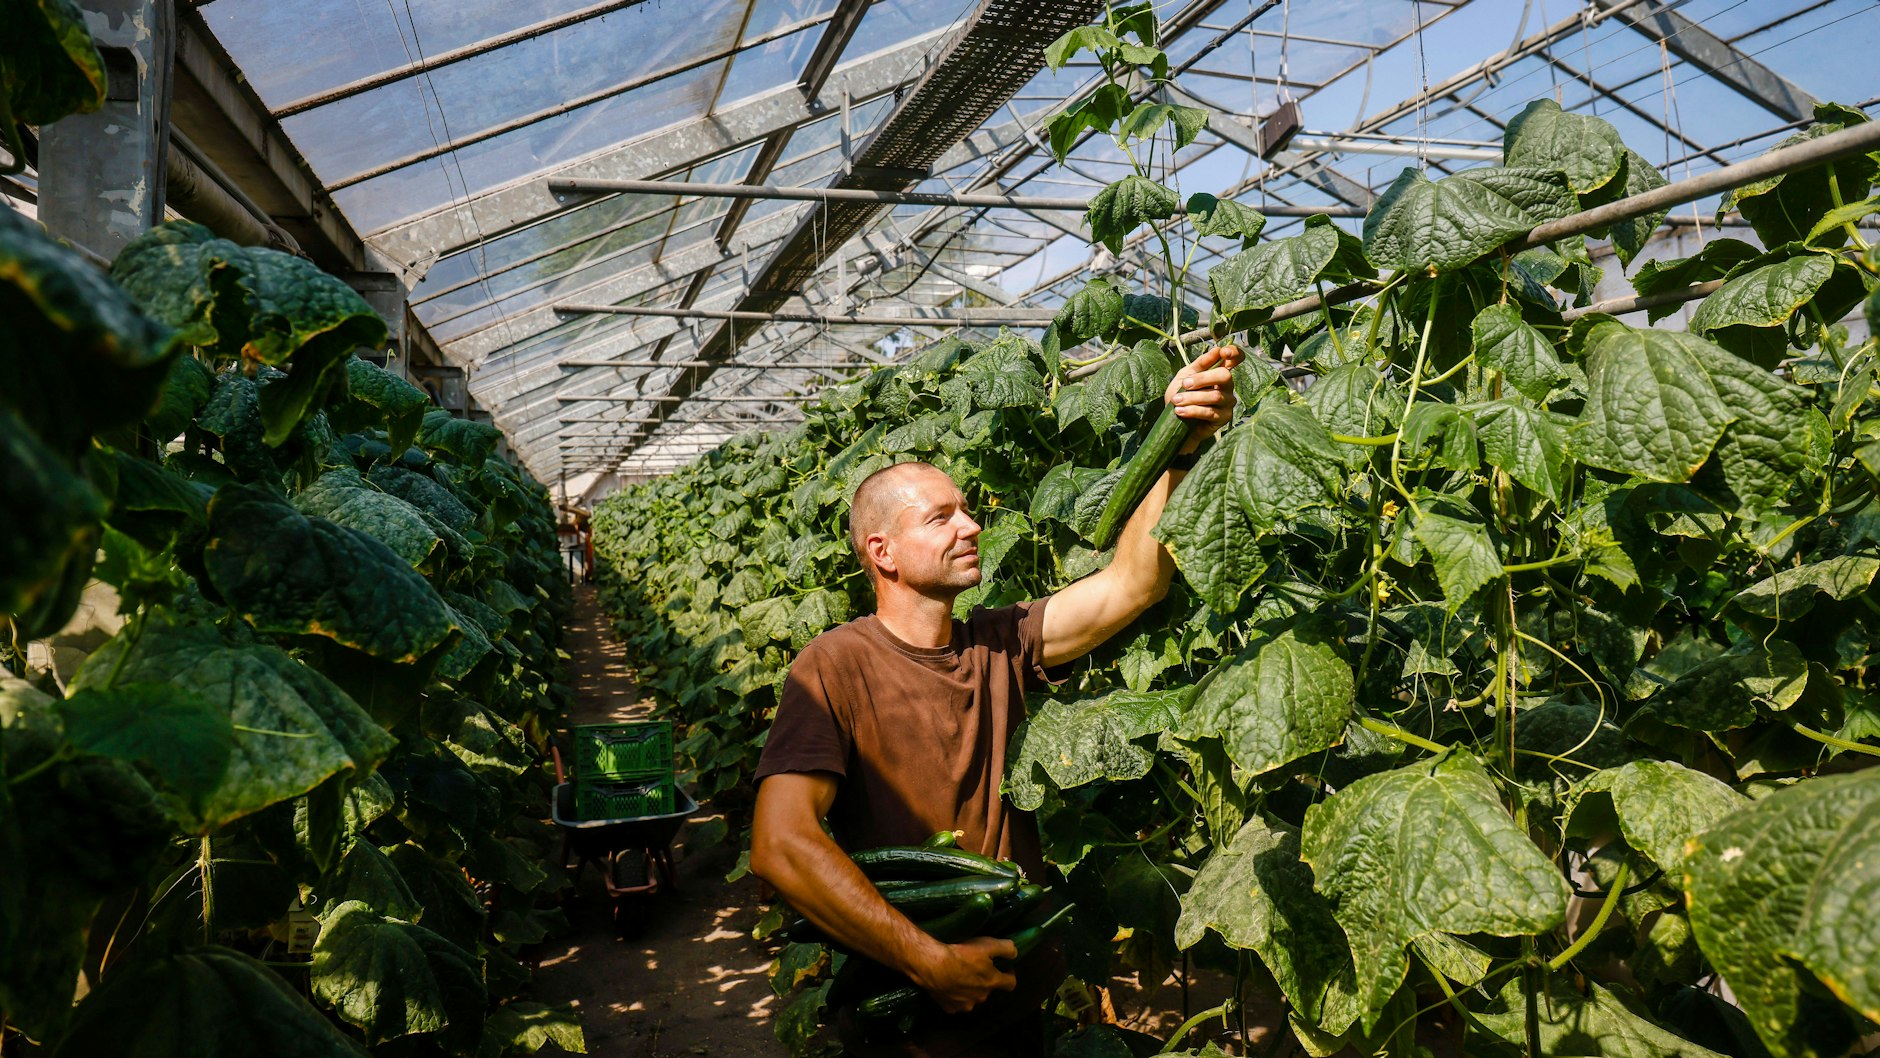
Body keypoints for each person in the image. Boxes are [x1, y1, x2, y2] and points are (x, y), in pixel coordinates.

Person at [749, 344, 1244, 1057]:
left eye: (969, 510)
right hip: (909, 1011)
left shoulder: (1000, 640)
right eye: (941, 517)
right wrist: (927, 960)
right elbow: (780, 844)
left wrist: (1179, 440)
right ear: (882, 552)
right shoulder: (833, 665)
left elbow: (1134, 584)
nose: (971, 526)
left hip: (1016, 994)